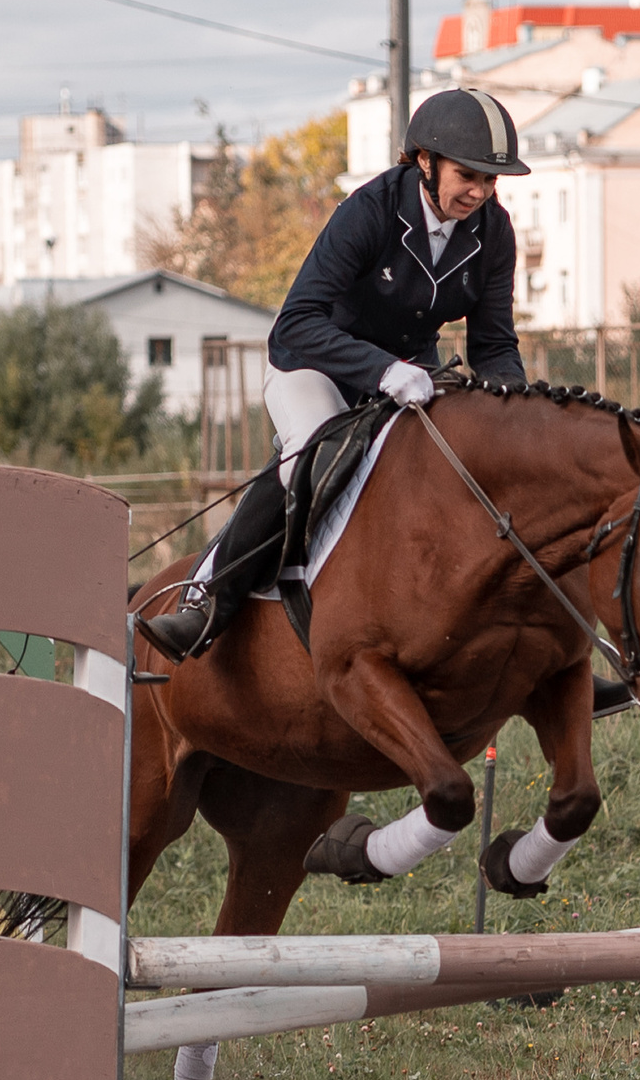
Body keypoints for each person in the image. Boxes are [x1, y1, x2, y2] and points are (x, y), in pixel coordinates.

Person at [141, 87, 530, 663]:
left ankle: (534, 651)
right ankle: (207, 602)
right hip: (314, 365)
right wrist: (382, 370)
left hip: (411, 377)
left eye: (491, 180)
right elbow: (296, 322)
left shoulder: (493, 232)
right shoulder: (370, 210)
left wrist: (518, 415)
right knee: (317, 445)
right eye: (467, 175)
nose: (480, 192)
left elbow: (493, 345)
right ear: (425, 162)